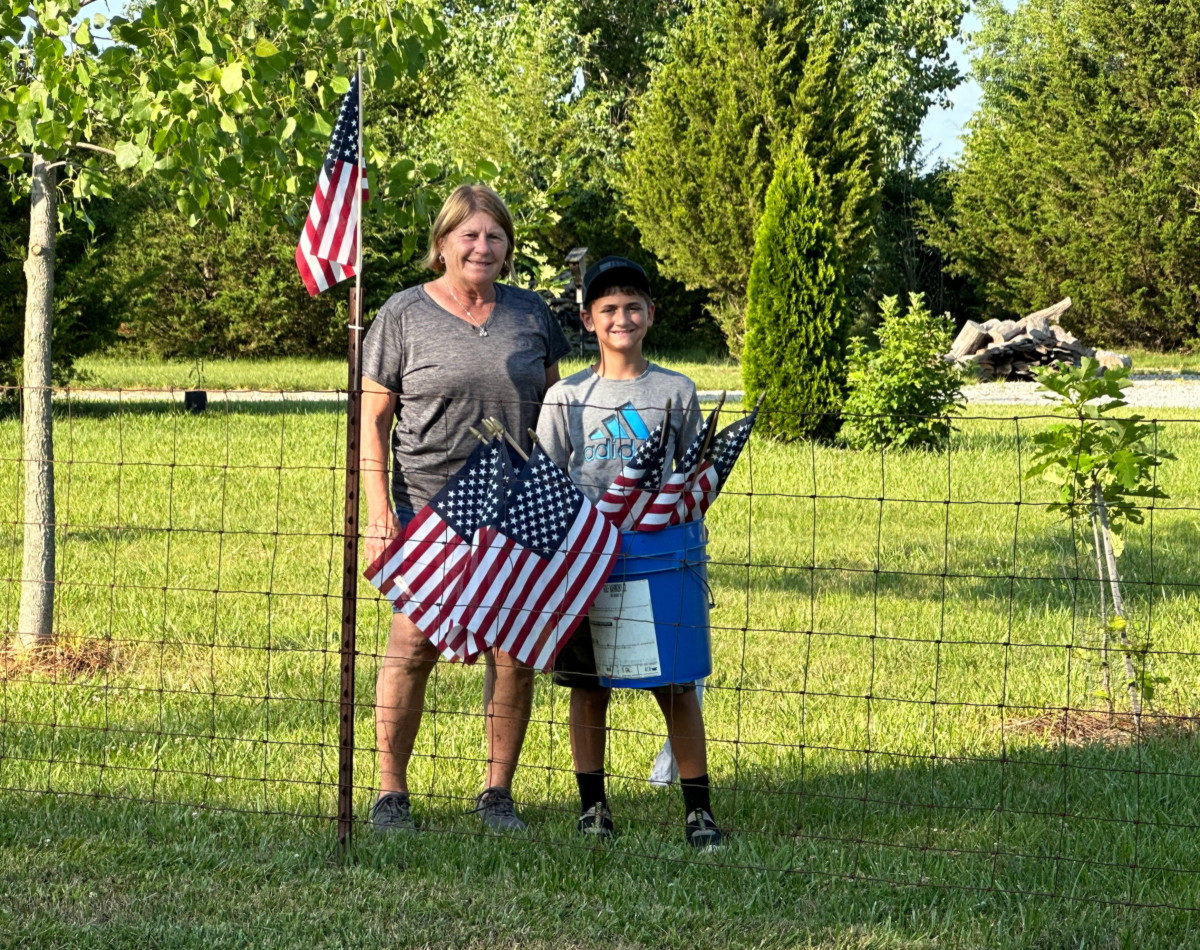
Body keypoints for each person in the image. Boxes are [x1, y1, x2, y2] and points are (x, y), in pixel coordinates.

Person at [361, 184, 570, 833]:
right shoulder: (402, 315)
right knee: (412, 643)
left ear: (508, 249)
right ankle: (390, 794)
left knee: (512, 651)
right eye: (469, 235)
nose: (482, 247)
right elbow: (370, 421)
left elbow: (557, 411)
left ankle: (496, 794)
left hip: (515, 510)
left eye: (494, 237)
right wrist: (378, 513)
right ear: (443, 243)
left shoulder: (531, 314)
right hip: (429, 508)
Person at [535, 256, 724, 849]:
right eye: (608, 309)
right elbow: (547, 479)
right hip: (586, 558)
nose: (622, 317)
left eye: (633, 307)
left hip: (655, 558)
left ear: (651, 315)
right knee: (589, 685)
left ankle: (698, 809)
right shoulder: (566, 396)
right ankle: (593, 805)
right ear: (589, 319)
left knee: (674, 684)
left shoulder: (675, 390)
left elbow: (693, 476)